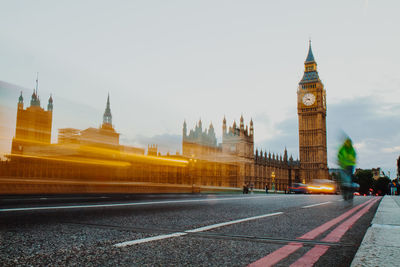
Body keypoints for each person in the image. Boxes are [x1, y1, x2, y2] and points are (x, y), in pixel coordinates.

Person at [337, 137, 357, 201]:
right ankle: (348, 191)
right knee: (346, 179)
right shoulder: (351, 149)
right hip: (348, 165)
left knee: (346, 179)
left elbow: (339, 155)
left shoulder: (344, 148)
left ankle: (349, 191)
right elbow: (339, 155)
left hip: (346, 166)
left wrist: (340, 161)